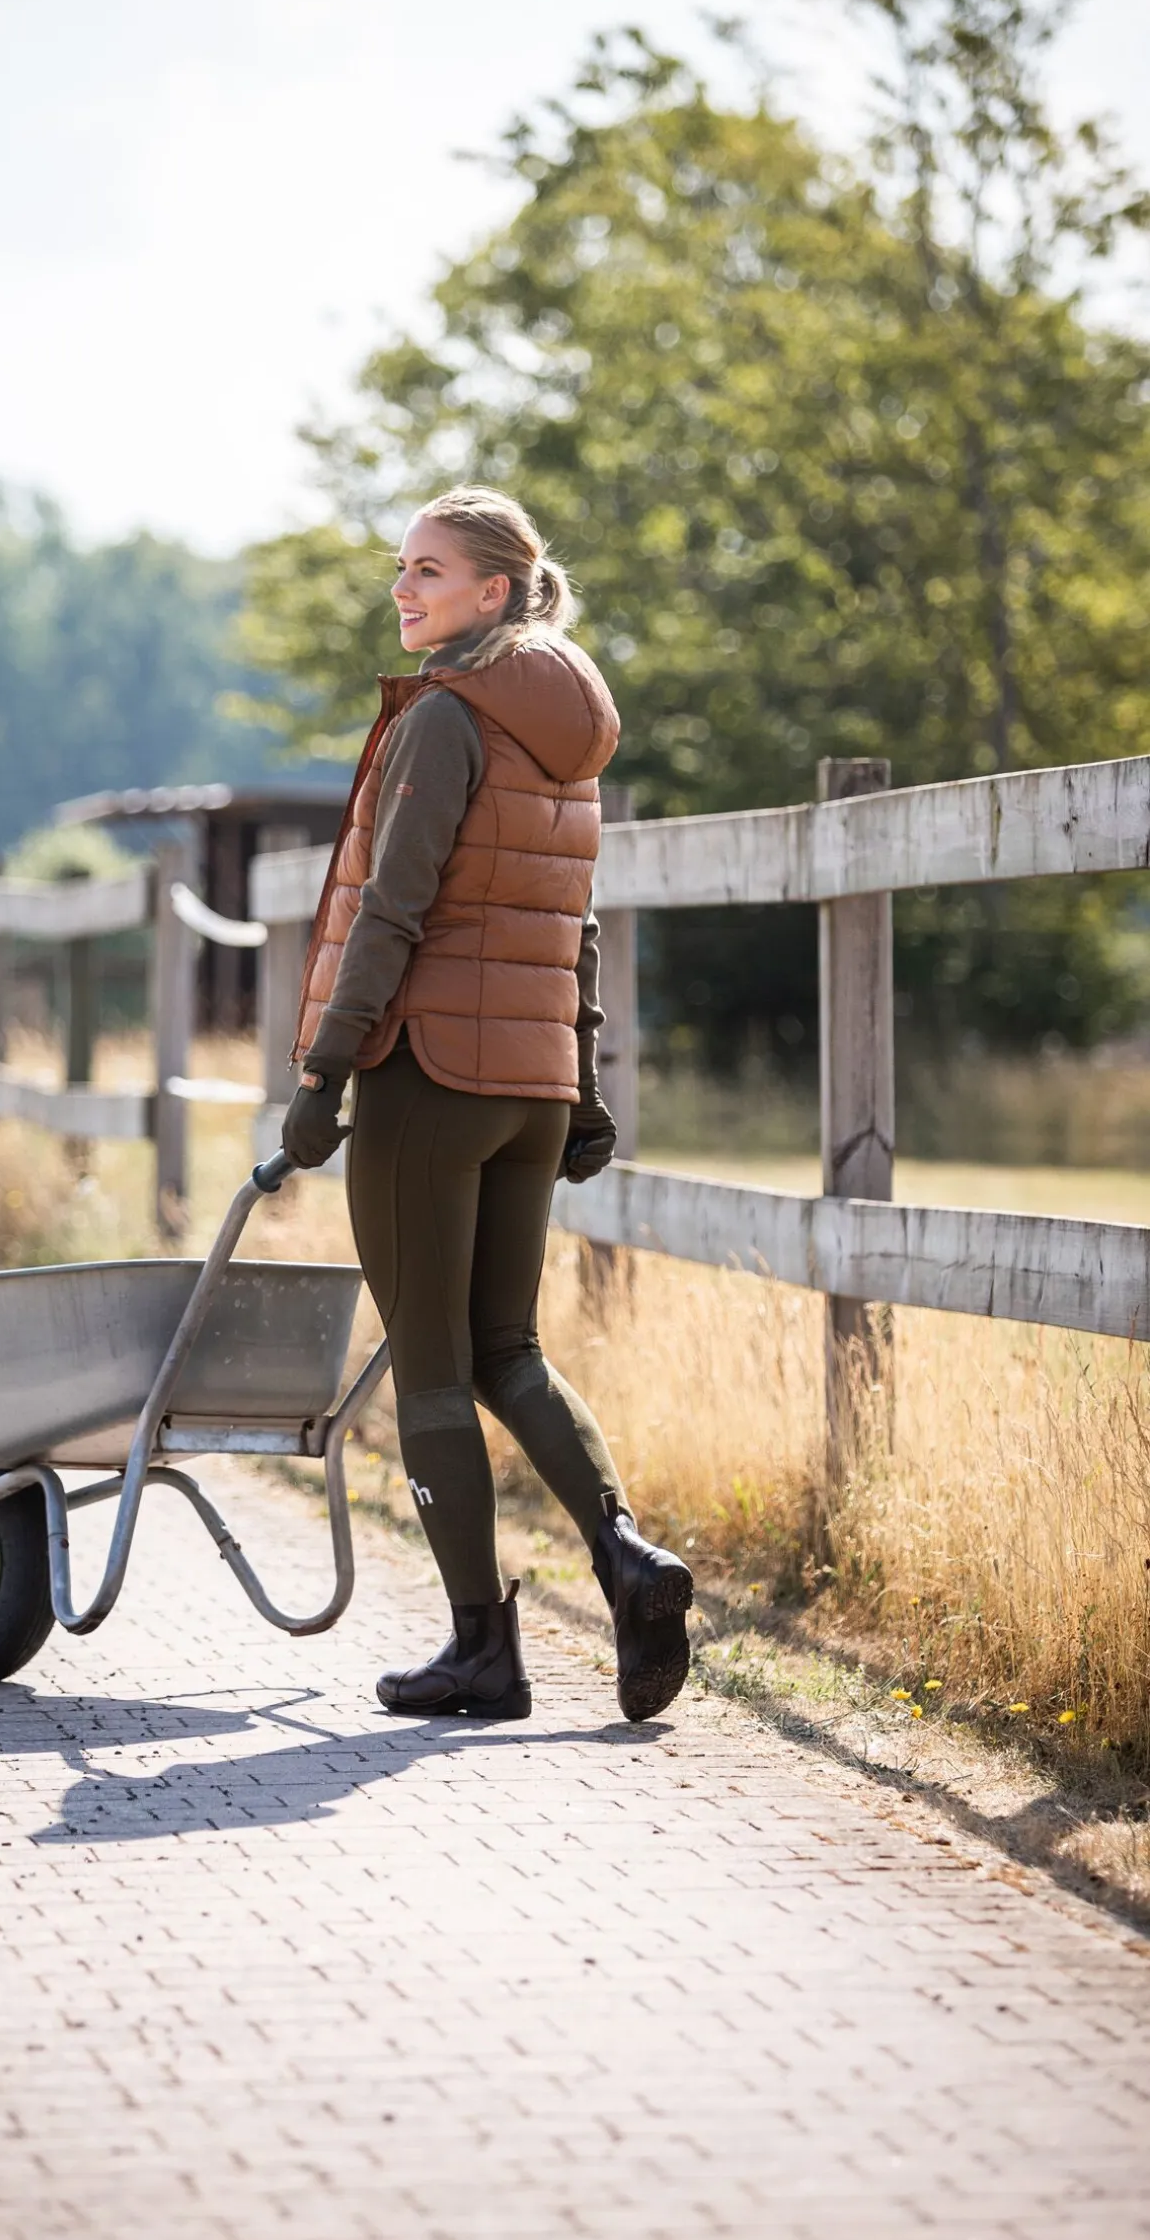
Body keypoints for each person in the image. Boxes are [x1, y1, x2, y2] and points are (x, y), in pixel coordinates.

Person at [281, 486, 692, 1723]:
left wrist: (323, 1074)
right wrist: (580, 1074)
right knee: (508, 1348)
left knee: (433, 1363)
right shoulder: (567, 728)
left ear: (494, 593)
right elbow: (575, 927)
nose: (402, 590)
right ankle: (627, 1562)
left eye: (429, 571)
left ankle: (479, 1652)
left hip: (429, 1077)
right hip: (525, 1084)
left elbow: (388, 914)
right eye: (400, 569)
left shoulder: (447, 720)